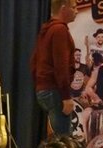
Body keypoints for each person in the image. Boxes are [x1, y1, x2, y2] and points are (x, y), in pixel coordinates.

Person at [31, 0, 77, 135]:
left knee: (54, 140)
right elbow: (61, 66)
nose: (77, 11)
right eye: (73, 7)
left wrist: (40, 83)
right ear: (63, 9)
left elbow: (34, 62)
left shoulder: (46, 30)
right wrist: (66, 97)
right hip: (55, 91)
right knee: (62, 142)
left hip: (45, 90)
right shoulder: (60, 30)